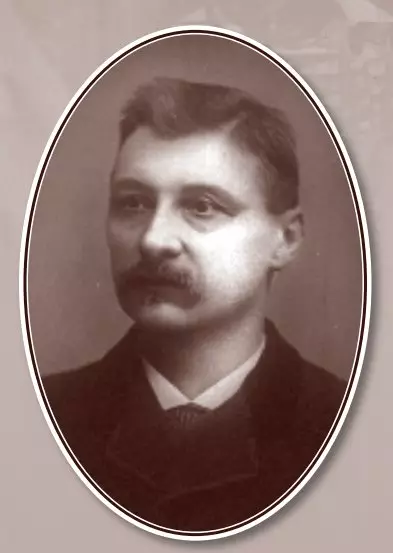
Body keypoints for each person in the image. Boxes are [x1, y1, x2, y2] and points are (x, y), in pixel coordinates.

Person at [43, 77, 346, 532]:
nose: (153, 240)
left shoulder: (347, 428)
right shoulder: (40, 417)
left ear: (285, 240)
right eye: (133, 203)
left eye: (202, 206)